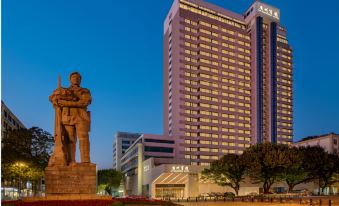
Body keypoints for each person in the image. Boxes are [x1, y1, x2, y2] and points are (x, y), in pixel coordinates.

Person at [49, 72, 92, 164]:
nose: (75, 79)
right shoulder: (64, 90)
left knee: (84, 138)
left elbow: (85, 102)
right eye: (73, 77)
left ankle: (85, 161)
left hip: (81, 117)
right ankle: (71, 161)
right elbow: (52, 98)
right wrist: (55, 98)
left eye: (77, 78)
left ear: (80, 80)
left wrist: (67, 103)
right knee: (70, 140)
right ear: (70, 79)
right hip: (67, 117)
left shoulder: (84, 91)